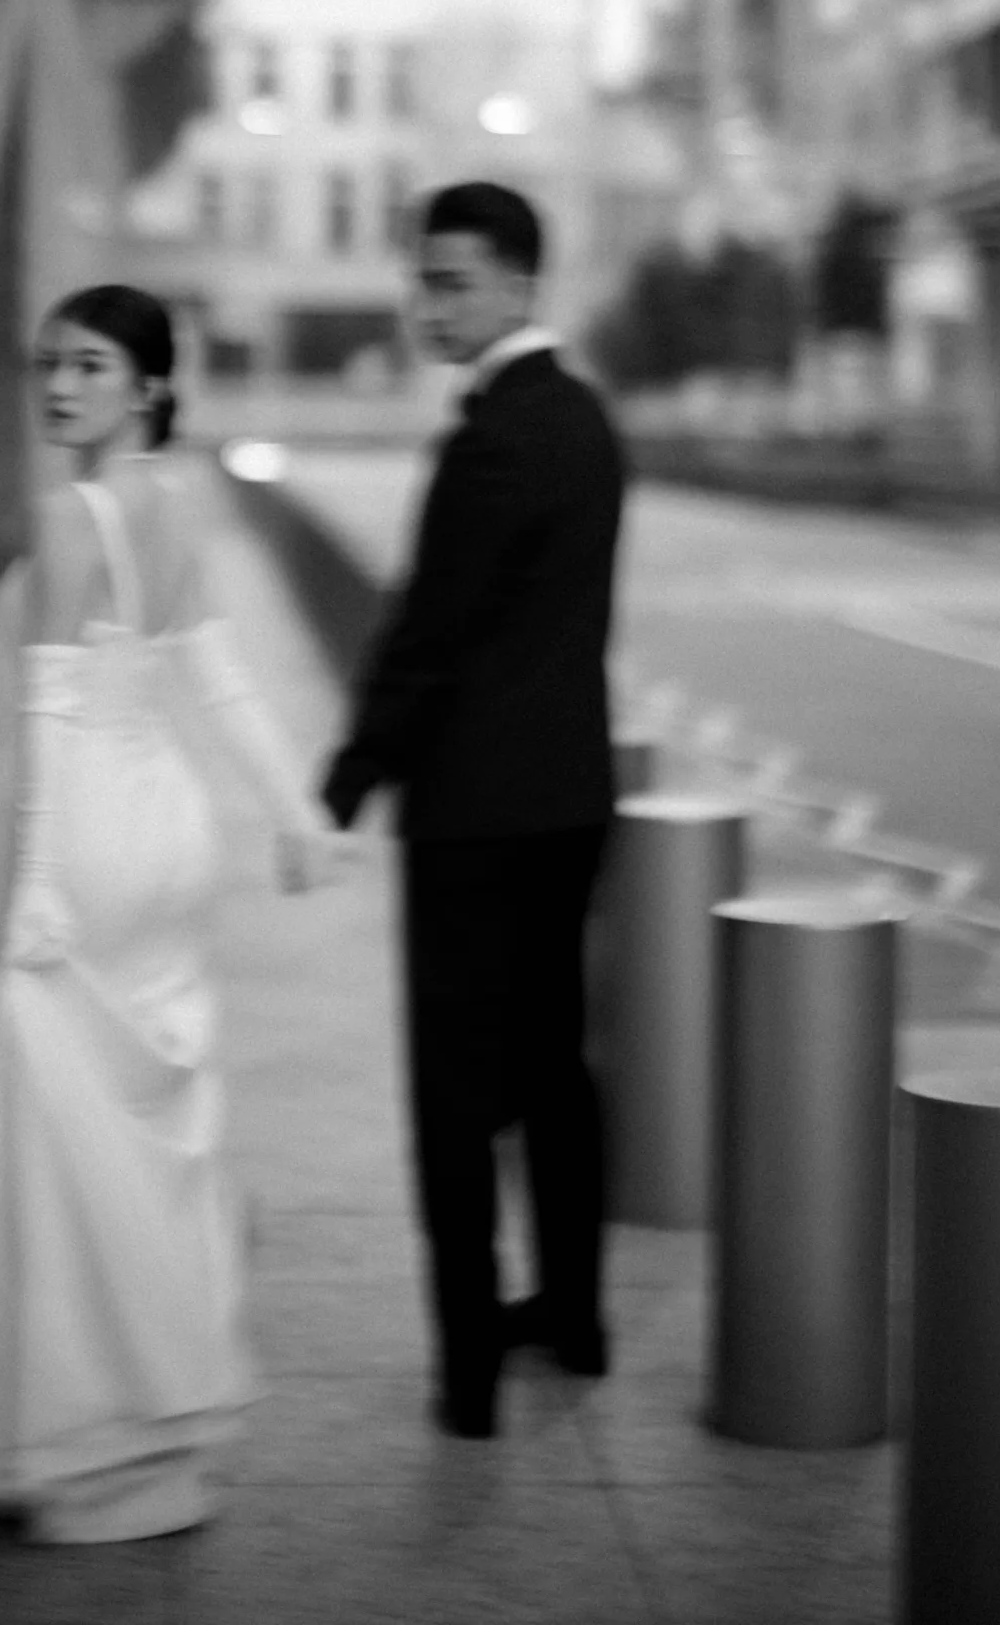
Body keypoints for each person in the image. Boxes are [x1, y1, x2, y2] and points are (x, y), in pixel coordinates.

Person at [0, 283, 333, 1539]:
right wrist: (293, 813)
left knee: (66, 1131)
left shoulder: (69, 515)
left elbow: (49, 715)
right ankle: (159, 1428)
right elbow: (217, 680)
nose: (61, 385)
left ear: (152, 386)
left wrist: (39, 891)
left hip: (95, 841)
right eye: (50, 362)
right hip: (168, 831)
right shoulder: (178, 503)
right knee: (150, 1122)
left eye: (93, 365)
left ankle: (93, 1448)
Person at [321, 183, 625, 1440]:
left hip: (472, 815)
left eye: (449, 281)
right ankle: (574, 1316)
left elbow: (431, 629)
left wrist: (354, 765)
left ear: (518, 285)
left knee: (454, 1089)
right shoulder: (589, 421)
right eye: (420, 279)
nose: (424, 303)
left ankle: (468, 1373)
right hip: (569, 797)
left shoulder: (492, 438)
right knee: (555, 1064)